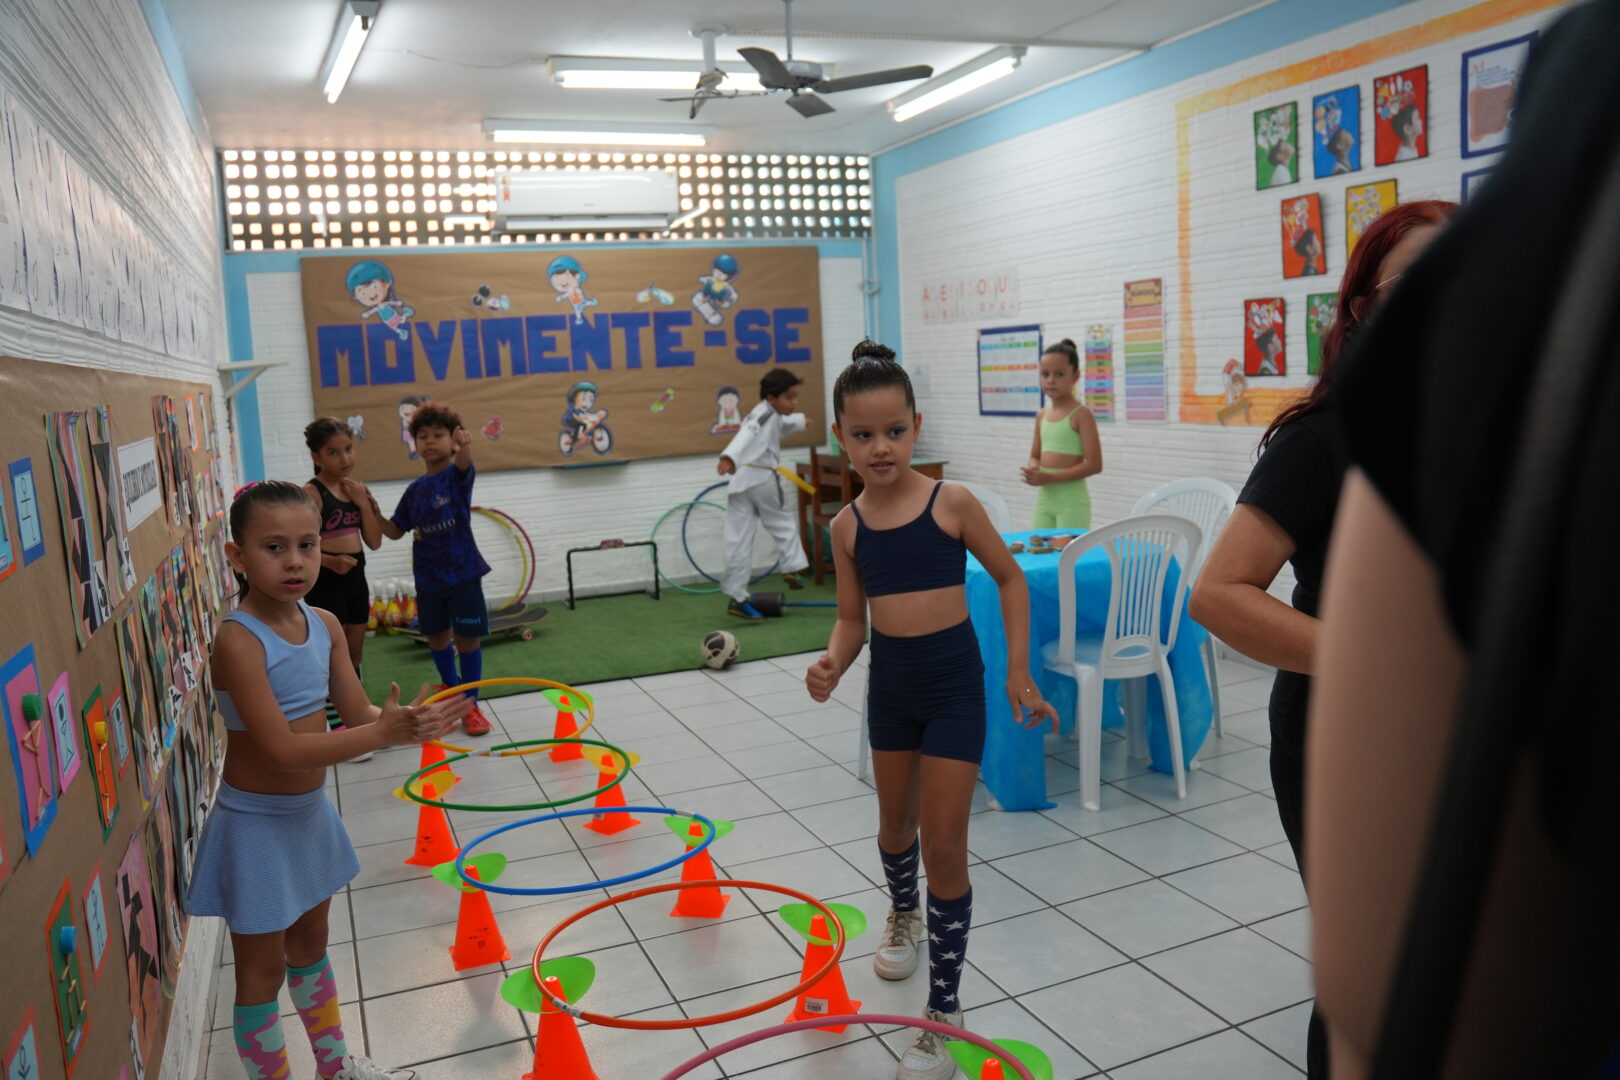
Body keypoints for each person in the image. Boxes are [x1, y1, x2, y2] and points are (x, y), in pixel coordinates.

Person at [1307, 5, 1620, 1075]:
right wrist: (1353, 665)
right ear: (1362, 312)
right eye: (1406, 294)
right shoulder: (1322, 439)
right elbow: (1402, 1003)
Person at [1189, 198, 1457, 1079]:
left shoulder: (1491, 432)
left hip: (1458, 735)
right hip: (1344, 734)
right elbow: (1218, 594)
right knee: (1372, 979)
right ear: (1363, 311)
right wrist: (1377, 666)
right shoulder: (1325, 438)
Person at [805, 341, 1056, 1080]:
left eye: (894, 431)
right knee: (895, 829)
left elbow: (1011, 580)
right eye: (862, 434)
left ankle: (943, 1008)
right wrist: (832, 662)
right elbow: (851, 620)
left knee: (945, 845)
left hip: (953, 690)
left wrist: (1017, 670)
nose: (880, 447)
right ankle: (903, 913)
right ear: (841, 437)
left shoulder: (952, 503)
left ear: (916, 426)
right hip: (892, 693)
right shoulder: (846, 527)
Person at [189, 481, 466, 1080]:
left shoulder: (326, 624)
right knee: (261, 972)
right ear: (237, 556)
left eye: (307, 545)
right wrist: (381, 735)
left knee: (312, 947)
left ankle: (335, 1068)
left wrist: (406, 722)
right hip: (255, 827)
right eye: (274, 547)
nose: (294, 561)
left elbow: (357, 712)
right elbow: (284, 751)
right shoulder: (237, 640)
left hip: (309, 816)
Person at [377, 402, 493, 735]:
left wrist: (465, 445)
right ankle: (452, 689)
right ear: (414, 442)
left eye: (438, 435)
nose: (429, 441)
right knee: (438, 638)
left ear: (452, 440)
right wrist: (369, 510)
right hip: (428, 579)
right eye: (423, 435)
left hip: (463, 574)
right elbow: (395, 530)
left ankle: (470, 705)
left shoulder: (457, 477)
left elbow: (465, 463)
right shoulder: (414, 491)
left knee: (467, 640)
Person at [302, 418, 383, 762]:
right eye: (333, 452)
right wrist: (330, 561)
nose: (344, 458)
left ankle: (358, 719)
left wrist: (363, 504)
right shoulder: (311, 494)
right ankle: (339, 728)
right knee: (332, 657)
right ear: (317, 457)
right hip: (327, 581)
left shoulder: (355, 491)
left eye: (348, 449)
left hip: (356, 578)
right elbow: (302, 546)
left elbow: (374, 541)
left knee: (354, 653)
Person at [716, 367, 811, 620]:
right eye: (789, 397)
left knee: (737, 540)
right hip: (762, 479)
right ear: (771, 398)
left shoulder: (767, 413)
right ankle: (791, 567)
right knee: (782, 523)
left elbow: (780, 425)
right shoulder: (763, 416)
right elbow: (747, 433)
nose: (794, 402)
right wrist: (729, 455)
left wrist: (800, 421)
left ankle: (737, 597)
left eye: (795, 397)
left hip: (740, 482)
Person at [1021, 338, 1102, 529]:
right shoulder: (1041, 415)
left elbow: (1094, 465)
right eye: (1045, 374)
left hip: (1071, 503)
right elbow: (1035, 455)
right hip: (1044, 501)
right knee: (1037, 548)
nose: (1050, 380)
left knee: (1069, 549)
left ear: (1075, 376)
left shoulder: (1081, 415)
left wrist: (1050, 478)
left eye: (1059, 374)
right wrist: (1034, 468)